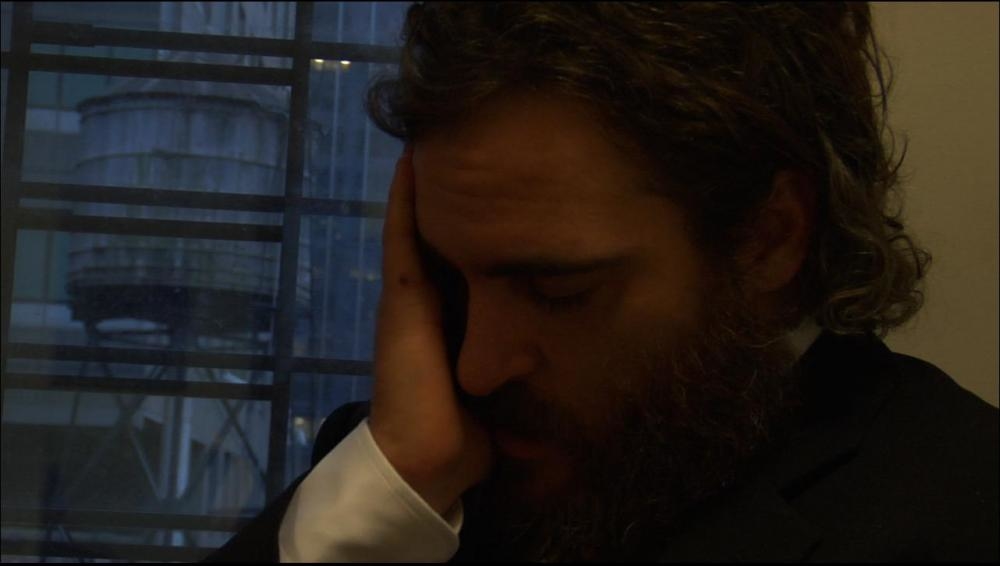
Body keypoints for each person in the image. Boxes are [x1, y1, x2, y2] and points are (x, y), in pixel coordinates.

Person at [208, 2, 998, 562]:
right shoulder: (410, 467)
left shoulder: (960, 510)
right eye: (446, 275)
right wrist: (385, 500)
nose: (476, 367)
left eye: (559, 293)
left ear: (769, 238)